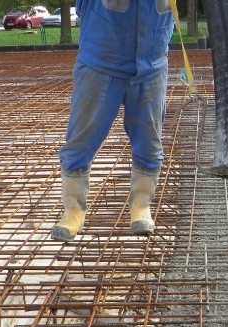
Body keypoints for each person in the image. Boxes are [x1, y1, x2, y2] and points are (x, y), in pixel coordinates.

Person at [51, 0, 175, 242]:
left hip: (151, 64)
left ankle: (141, 206)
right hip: (100, 63)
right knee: (81, 139)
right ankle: (73, 211)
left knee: (149, 141)